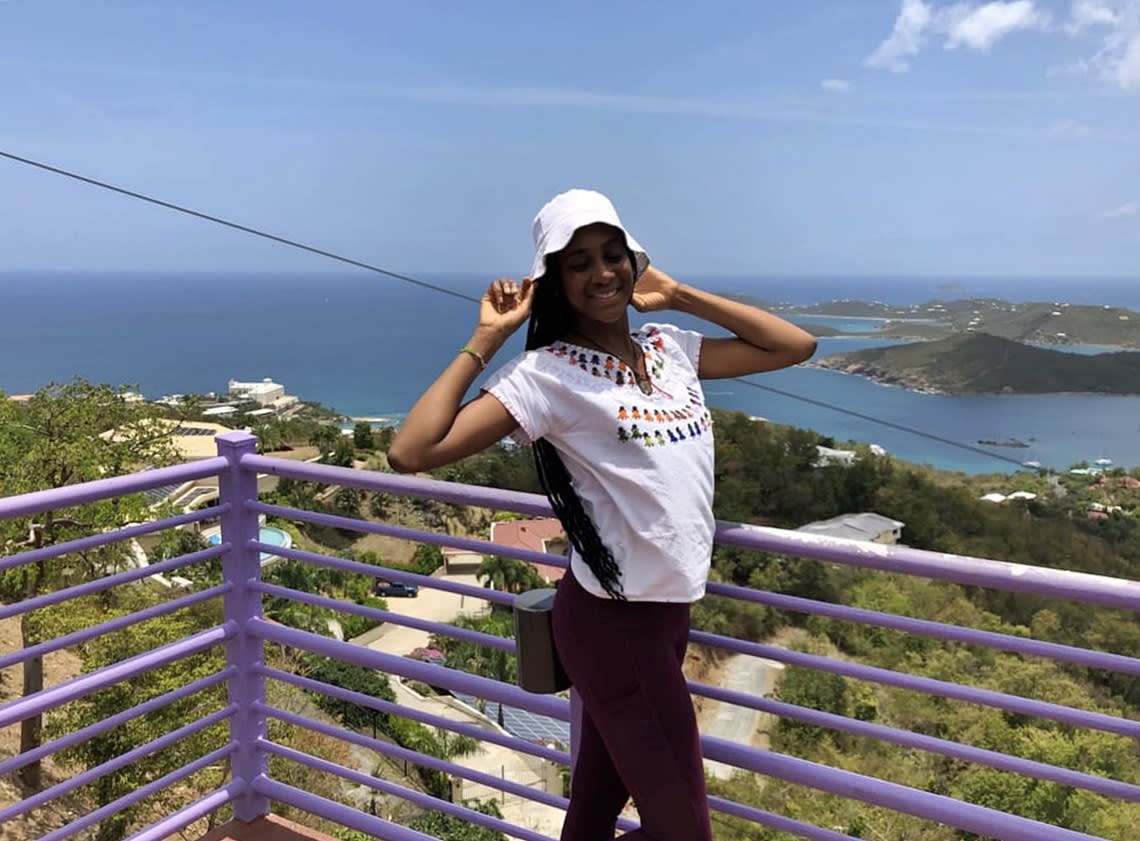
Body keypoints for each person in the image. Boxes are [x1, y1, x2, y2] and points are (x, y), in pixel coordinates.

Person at [388, 189, 816, 840]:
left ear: (633, 261)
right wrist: (486, 337)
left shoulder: (670, 351)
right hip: (616, 627)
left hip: (666, 616)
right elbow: (411, 449)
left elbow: (795, 345)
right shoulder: (548, 376)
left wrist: (677, 293)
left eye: (613, 254)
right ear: (556, 281)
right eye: (579, 261)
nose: (602, 272)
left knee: (591, 813)